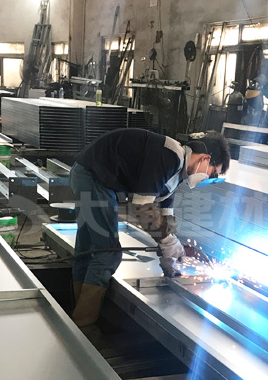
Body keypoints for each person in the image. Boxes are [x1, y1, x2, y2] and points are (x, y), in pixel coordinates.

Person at [69, 128, 231, 330]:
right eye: (212, 173)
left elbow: (165, 216)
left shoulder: (176, 172)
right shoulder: (169, 155)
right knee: (108, 253)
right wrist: (168, 242)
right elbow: (142, 207)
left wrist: (169, 258)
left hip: (87, 175)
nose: (207, 179)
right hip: (94, 179)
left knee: (87, 249)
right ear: (205, 158)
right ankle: (83, 325)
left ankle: (76, 312)